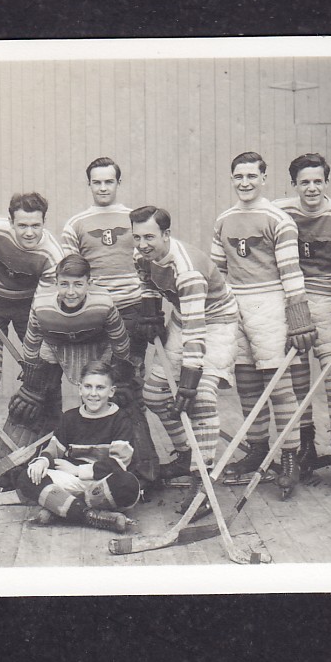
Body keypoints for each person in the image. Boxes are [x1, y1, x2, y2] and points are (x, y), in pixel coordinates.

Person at [211, 151, 316, 499]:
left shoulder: (278, 219)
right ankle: (257, 448)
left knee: (279, 384)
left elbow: (291, 272)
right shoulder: (224, 219)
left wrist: (298, 317)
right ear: (231, 179)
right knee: (246, 382)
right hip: (234, 304)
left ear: (263, 178)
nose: (245, 183)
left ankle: (289, 456)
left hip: (270, 302)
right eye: (238, 176)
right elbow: (218, 272)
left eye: (251, 176)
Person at [129, 205, 238, 502]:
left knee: (200, 398)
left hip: (216, 323)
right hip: (183, 316)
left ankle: (202, 478)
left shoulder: (187, 270)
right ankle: (186, 454)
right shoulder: (142, 254)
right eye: (137, 237)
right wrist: (150, 310)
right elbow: (147, 282)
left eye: (149, 236)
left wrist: (190, 376)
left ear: (167, 234)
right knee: (153, 393)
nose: (142, 244)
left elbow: (195, 329)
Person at [61, 158, 158, 477]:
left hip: (130, 310)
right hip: (95, 315)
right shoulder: (75, 223)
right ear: (88, 184)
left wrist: (149, 307)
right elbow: (69, 276)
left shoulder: (134, 219)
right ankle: (101, 462)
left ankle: (144, 469)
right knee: (100, 388)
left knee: (128, 388)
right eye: (96, 182)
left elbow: (149, 264)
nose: (103, 187)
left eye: (109, 182)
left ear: (118, 183)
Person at [276, 152, 331, 493]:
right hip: (294, 304)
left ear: (326, 182)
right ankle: (306, 447)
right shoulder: (280, 212)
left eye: (317, 181)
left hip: (329, 302)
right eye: (304, 182)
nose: (311, 188)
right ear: (294, 184)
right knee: (297, 379)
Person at [0, 193, 66, 464]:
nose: (29, 232)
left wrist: (32, 360)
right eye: (22, 225)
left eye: (36, 225)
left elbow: (40, 312)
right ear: (10, 222)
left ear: (44, 222)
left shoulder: (52, 255)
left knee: (45, 370)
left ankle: (51, 437)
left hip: (27, 309)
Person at [10, 255, 136, 464]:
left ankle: (123, 458)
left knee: (112, 395)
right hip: (55, 344)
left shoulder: (103, 303)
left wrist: (119, 374)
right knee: (38, 398)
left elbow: (120, 341)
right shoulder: (41, 305)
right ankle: (39, 454)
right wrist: (32, 380)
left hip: (96, 344)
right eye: (64, 284)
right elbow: (31, 344)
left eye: (78, 284)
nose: (71, 292)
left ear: (89, 283)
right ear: (55, 283)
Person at [14, 360, 140, 533]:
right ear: (80, 389)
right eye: (88, 387)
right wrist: (42, 461)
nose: (93, 394)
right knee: (26, 477)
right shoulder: (70, 418)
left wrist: (77, 471)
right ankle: (91, 516)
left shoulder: (121, 419)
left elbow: (118, 464)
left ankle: (62, 508)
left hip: (102, 483)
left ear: (111, 391)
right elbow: (54, 448)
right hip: (72, 481)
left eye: (100, 388)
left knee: (127, 484)